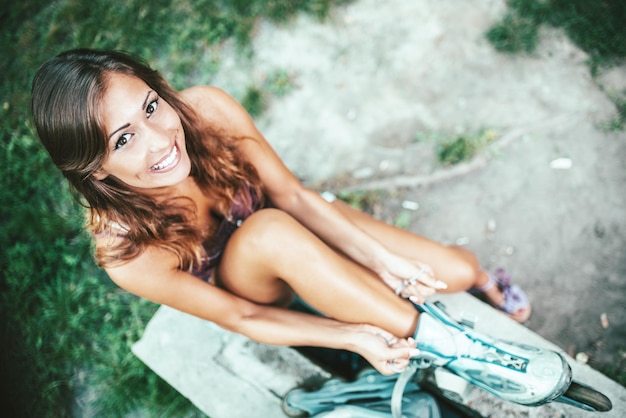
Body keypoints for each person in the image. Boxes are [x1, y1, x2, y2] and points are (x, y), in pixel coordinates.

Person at [31, 49, 532, 377]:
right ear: (95, 170)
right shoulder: (126, 251)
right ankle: (452, 345)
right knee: (267, 232)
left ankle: (483, 284)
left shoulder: (206, 111)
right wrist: (353, 337)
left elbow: (291, 195)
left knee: (458, 270)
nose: (162, 138)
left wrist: (382, 260)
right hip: (261, 284)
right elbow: (242, 314)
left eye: (150, 107)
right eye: (124, 139)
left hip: (297, 226)